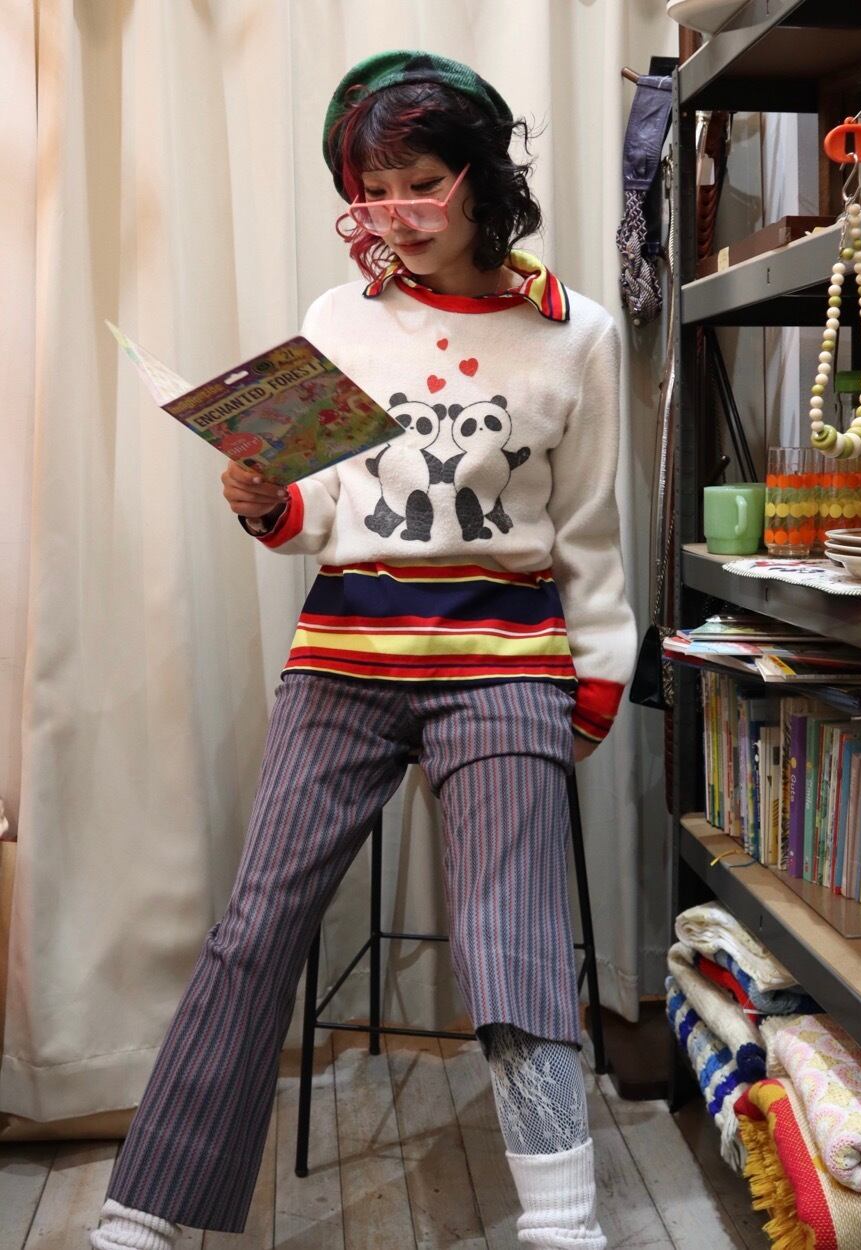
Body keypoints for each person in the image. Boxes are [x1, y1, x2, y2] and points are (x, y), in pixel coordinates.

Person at [91, 50, 636, 1250]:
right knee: (255, 925)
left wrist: (594, 681)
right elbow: (322, 512)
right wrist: (266, 498)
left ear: (485, 177)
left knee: (512, 934)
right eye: (371, 192)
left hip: (505, 662)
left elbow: (591, 532)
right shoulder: (338, 320)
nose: (395, 215)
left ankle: (561, 1217)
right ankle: (146, 1209)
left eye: (421, 184)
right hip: (345, 653)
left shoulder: (578, 335)